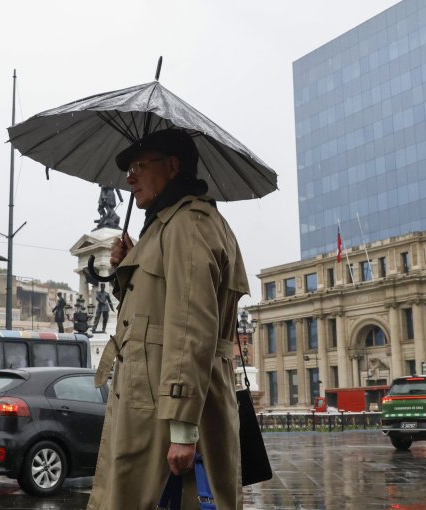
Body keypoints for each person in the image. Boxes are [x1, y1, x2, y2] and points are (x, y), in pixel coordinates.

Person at [87, 128, 249, 510]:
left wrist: (182, 429)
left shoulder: (188, 225)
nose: (130, 178)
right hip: (152, 405)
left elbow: (191, 326)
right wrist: (127, 265)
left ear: (173, 166)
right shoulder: (165, 227)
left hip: (167, 415)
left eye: (140, 166)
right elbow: (150, 311)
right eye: (130, 169)